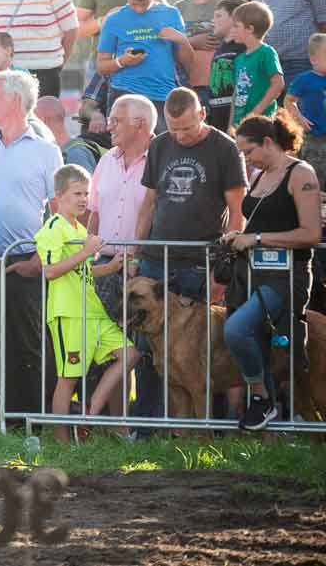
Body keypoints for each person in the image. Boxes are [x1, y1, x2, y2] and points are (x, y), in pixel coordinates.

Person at [134, 87, 245, 421]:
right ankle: (152, 424)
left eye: (186, 128)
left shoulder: (225, 148)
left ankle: (216, 425)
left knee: (206, 350)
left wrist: (223, 268)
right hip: (157, 261)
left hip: (201, 263)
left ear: (202, 115)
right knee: (149, 348)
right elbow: (149, 202)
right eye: (174, 128)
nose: (179, 136)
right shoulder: (159, 144)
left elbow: (237, 212)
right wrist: (135, 252)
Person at [224, 112, 320, 430]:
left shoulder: (300, 173)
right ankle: (267, 414)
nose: (246, 158)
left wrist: (259, 238)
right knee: (254, 340)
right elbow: (257, 221)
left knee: (236, 329)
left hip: (286, 277)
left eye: (249, 151)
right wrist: (239, 236)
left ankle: (263, 398)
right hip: (253, 273)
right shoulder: (258, 175)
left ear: (268, 142)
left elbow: (310, 234)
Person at [0, 71, 63, 414]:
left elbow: (60, 211)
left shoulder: (46, 152)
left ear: (13, 99)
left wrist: (40, 259)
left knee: (26, 344)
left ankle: (27, 417)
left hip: (25, 263)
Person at [37, 165, 137, 441]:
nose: (83, 199)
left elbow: (81, 271)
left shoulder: (80, 227)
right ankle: (61, 440)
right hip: (68, 314)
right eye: (77, 193)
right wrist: (85, 252)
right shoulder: (52, 228)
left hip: (92, 312)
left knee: (130, 354)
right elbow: (51, 271)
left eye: (86, 193)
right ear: (59, 196)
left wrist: (110, 267)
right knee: (68, 378)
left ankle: (93, 412)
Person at [96, 0, 192, 130]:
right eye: (134, 4)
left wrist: (182, 41)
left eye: (144, 4)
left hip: (163, 97)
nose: (139, 9)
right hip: (124, 94)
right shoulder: (114, 19)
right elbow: (101, 66)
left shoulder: (171, 14)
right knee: (125, 150)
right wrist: (122, 61)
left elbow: (188, 63)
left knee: (161, 151)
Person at [88, 94, 156, 321]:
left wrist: (135, 259)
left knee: (139, 343)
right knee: (101, 341)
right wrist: (88, 256)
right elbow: (94, 213)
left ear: (140, 124)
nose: (109, 127)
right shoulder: (106, 160)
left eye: (116, 120)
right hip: (105, 266)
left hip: (145, 269)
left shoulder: (162, 158)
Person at [176, 0, 223, 106]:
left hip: (214, 82)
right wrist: (193, 42)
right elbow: (170, 44)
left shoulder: (222, 7)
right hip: (184, 82)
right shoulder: (178, 8)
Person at [231, 1, 284, 128]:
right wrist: (231, 125)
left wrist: (255, 113)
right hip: (240, 124)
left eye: (236, 26)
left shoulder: (266, 52)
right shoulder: (239, 59)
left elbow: (278, 85)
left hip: (261, 122)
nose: (232, 30)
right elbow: (235, 94)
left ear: (250, 29)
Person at [285, 33, 326, 187]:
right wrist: (299, 118)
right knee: (315, 178)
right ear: (313, 59)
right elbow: (288, 101)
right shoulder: (304, 80)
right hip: (314, 138)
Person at [207, 0, 248, 132]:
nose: (213, 21)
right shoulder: (221, 49)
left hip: (236, 117)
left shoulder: (244, 48)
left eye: (219, 16)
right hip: (216, 115)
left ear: (235, 18)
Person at [35, 96, 104, 174]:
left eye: (33, 121)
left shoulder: (75, 154)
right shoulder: (67, 151)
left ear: (42, 121)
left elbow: (85, 186)